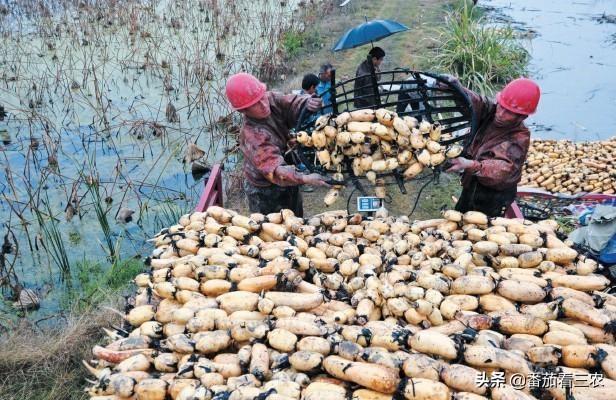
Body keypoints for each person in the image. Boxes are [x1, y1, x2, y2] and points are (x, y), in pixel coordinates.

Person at [225, 72, 330, 217]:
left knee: (296, 216)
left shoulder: (270, 98)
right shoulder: (252, 136)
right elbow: (275, 170)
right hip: (264, 190)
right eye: (255, 104)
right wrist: (305, 178)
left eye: (262, 97)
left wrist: (307, 103)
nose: (263, 104)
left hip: (286, 169)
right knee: (271, 228)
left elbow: (291, 102)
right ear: (243, 110)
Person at [445, 76, 541, 217]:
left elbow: (503, 169)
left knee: (483, 228)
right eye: (501, 106)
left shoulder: (519, 138)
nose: (500, 114)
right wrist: (456, 88)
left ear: (522, 117)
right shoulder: (492, 110)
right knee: (460, 214)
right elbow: (477, 102)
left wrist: (470, 165)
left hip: (494, 195)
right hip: (473, 182)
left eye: (509, 112)